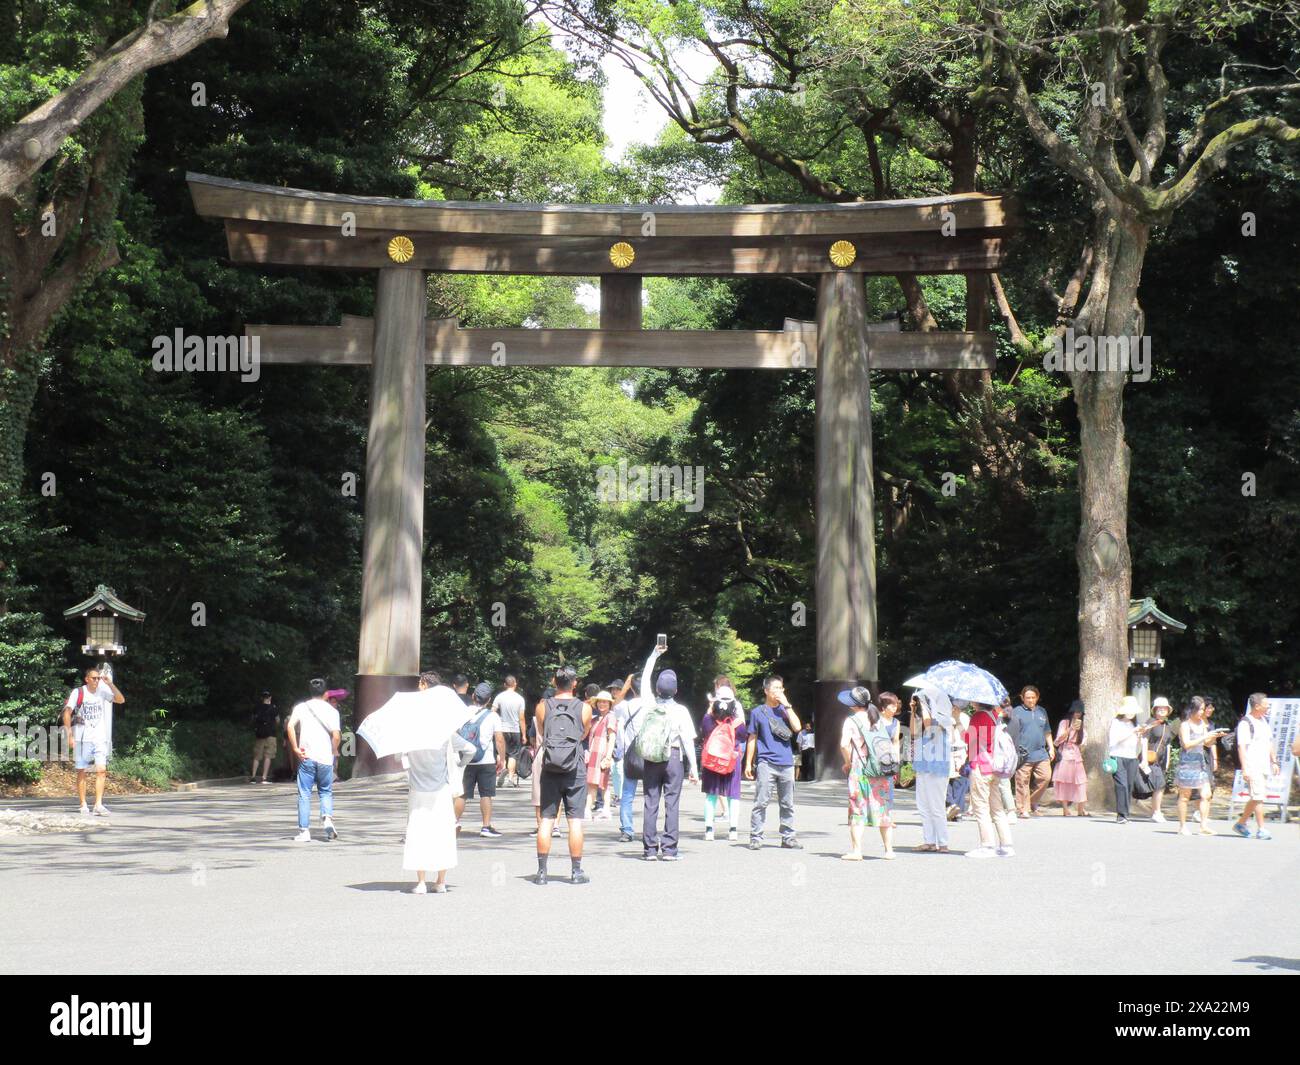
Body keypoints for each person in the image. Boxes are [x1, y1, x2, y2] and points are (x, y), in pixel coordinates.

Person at [405, 693, 477, 894]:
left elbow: (398, 757)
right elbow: (470, 749)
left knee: (418, 833)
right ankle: (440, 881)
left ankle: (420, 882)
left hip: (417, 790)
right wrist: (459, 765)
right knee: (442, 834)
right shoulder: (446, 733)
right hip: (441, 790)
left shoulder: (410, 734)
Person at [632, 644, 699, 860]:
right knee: (672, 802)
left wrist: (654, 654)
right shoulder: (681, 711)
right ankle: (669, 849)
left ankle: (649, 850)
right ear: (676, 690)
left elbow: (644, 680)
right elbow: (688, 741)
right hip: (673, 757)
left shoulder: (649, 704)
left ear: (657, 689)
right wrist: (694, 769)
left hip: (651, 758)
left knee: (651, 801)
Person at [532, 667, 592, 885]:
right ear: (575, 683)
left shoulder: (542, 707)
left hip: (550, 767)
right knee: (574, 821)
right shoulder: (584, 708)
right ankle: (576, 872)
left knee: (547, 820)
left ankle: (541, 872)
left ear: (553, 681)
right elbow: (584, 733)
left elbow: (542, 731)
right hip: (574, 767)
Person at [839, 688, 900, 860]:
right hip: (882, 768)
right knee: (883, 808)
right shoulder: (878, 718)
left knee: (858, 807)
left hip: (861, 768)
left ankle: (857, 851)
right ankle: (889, 850)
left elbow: (844, 745)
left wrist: (847, 763)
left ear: (853, 704)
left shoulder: (851, 721)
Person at [744, 675, 802, 850]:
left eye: (781, 688)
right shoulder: (757, 712)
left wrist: (787, 705)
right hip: (765, 762)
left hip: (786, 762)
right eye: (775, 688)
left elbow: (797, 727)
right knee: (761, 802)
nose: (779, 691)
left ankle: (788, 837)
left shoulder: (785, 710)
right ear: (766, 691)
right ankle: (756, 837)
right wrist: (748, 763)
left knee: (787, 803)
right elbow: (752, 738)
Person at [62, 663, 126, 817]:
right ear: (87, 679)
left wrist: (109, 683)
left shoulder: (103, 690)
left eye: (98, 678)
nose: (97, 681)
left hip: (99, 737)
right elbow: (67, 713)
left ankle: (98, 804)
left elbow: (120, 699)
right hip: (82, 738)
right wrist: (69, 735)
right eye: (94, 678)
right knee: (82, 771)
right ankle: (83, 803)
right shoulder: (78, 693)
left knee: (101, 770)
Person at [287, 678, 342, 842]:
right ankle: (327, 817)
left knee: (304, 793)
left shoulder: (301, 707)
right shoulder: (332, 711)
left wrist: (296, 748)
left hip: (306, 756)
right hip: (325, 758)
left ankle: (304, 832)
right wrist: (333, 750)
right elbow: (337, 736)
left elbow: (290, 726)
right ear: (326, 693)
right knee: (325, 791)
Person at [454, 681, 506, 838]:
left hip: (465, 759)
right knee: (486, 794)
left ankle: (452, 822)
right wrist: (502, 758)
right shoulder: (493, 716)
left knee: (462, 793)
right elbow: (499, 739)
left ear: (473, 696)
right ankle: (485, 827)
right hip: (486, 760)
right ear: (489, 700)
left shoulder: (462, 712)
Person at [964, 702, 1014, 858]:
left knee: (980, 806)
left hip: (980, 764)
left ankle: (987, 846)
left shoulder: (978, 716)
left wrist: (962, 730)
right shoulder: (994, 715)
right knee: (997, 807)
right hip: (995, 765)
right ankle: (1006, 845)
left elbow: (969, 739)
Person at [700, 686, 747, 841]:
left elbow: (704, 732)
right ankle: (733, 830)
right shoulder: (737, 722)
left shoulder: (708, 720)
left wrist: (710, 706)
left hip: (712, 761)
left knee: (711, 795)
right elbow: (742, 737)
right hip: (731, 761)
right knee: (733, 796)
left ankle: (709, 830)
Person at [909, 689, 951, 852]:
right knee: (923, 804)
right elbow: (913, 732)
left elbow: (929, 727)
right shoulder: (922, 714)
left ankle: (943, 842)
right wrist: (913, 711)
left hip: (937, 766)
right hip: (922, 763)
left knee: (936, 805)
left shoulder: (944, 719)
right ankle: (929, 841)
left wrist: (925, 705)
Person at [1232, 693, 1277, 840]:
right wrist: (1245, 767)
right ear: (1257, 706)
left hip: (1264, 765)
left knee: (1256, 796)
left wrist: (1274, 761)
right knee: (1258, 797)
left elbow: (1269, 742)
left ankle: (1241, 823)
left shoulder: (1264, 720)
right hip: (1252, 765)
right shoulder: (1246, 723)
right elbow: (1241, 747)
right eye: (1266, 704)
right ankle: (1262, 828)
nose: (1268, 707)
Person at [1174, 696, 1220, 835]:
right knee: (1185, 796)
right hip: (1187, 764)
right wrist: (1203, 737)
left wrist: (1214, 737)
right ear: (1193, 709)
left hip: (1200, 763)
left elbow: (1207, 743)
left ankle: (1203, 825)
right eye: (1200, 709)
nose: (1202, 712)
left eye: (1203, 709)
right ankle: (1182, 826)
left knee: (1206, 794)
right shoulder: (1185, 725)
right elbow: (1187, 744)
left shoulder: (1202, 724)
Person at [1107, 696, 1153, 824]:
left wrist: (1139, 734)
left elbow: (1138, 742)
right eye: (1129, 710)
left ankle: (1126, 814)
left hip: (1132, 757)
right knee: (1121, 785)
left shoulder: (1135, 724)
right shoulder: (1116, 723)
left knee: (1128, 785)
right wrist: (1133, 731)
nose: (1131, 713)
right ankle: (1121, 815)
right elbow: (1114, 741)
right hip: (1118, 756)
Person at [1010, 685, 1054, 816]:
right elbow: (1011, 731)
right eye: (1028, 697)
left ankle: (1031, 802)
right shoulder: (1016, 711)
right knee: (1022, 781)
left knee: (1046, 777)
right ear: (1022, 698)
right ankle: (1023, 808)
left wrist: (1051, 748)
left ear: (1037, 697)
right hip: (1023, 753)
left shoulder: (1042, 711)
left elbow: (1047, 731)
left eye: (1033, 697)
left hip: (1041, 752)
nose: (1030, 700)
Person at [614, 677, 644, 842]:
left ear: (632, 689)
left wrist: (624, 688)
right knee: (651, 794)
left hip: (631, 754)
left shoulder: (625, 706)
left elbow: (614, 706)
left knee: (627, 794)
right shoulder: (652, 705)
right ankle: (650, 829)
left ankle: (627, 830)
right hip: (650, 755)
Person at [584, 691, 617, 820]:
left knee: (602, 783)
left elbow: (612, 737)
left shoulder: (611, 717)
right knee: (594, 783)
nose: (602, 704)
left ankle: (596, 809)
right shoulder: (595, 719)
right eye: (600, 701)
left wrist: (608, 756)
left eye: (605, 702)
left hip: (602, 753)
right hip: (594, 753)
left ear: (609, 704)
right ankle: (602, 809)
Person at [1052, 701, 1088, 815]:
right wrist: (1070, 729)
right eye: (1076, 712)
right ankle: (1065, 809)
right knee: (1064, 781)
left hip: (1076, 755)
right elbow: (1057, 741)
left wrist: (1080, 733)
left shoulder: (1081, 725)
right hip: (1065, 754)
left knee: (1081, 781)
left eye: (1080, 713)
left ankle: (1080, 808)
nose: (1078, 714)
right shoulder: (1065, 723)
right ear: (1071, 712)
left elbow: (1082, 742)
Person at [1143, 697, 1176, 821]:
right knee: (1160, 785)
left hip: (1161, 759)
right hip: (1150, 758)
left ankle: (1154, 812)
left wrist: (1167, 761)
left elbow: (1167, 744)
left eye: (1165, 708)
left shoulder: (1168, 725)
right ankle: (1157, 812)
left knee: (1158, 785)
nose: (1162, 710)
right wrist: (1144, 759)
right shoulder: (1150, 722)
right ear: (1155, 710)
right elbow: (1144, 739)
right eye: (1160, 708)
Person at [492, 676, 526, 787]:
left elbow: (493, 712)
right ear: (515, 684)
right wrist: (524, 734)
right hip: (515, 730)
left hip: (502, 729)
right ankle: (511, 778)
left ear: (505, 685)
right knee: (513, 755)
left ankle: (501, 770)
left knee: (499, 752)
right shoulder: (520, 699)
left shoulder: (499, 697)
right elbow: (521, 718)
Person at [946, 701, 971, 821]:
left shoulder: (965, 718)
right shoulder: (944, 717)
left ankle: (957, 811)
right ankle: (951, 805)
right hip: (947, 750)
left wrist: (957, 720)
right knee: (946, 781)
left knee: (960, 782)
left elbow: (966, 736)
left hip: (961, 750)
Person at [250, 690, 278, 784]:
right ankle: (264, 778)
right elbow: (277, 720)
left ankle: (253, 777)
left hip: (260, 734)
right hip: (271, 734)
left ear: (262, 698)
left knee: (257, 756)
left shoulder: (257, 707)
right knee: (268, 756)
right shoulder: (274, 708)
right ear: (270, 697)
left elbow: (253, 719)